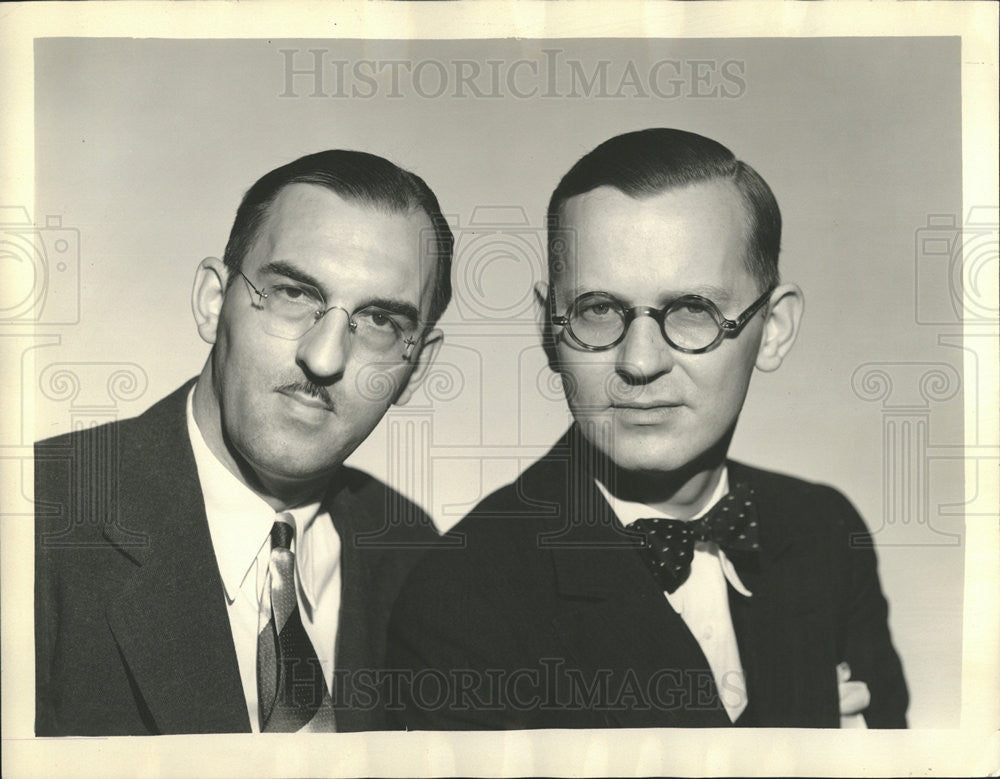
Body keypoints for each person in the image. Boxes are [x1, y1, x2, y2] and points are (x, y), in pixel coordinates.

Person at [386, 128, 908, 729]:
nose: (639, 362)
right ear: (547, 328)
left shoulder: (822, 529)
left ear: (776, 328)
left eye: (693, 311)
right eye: (598, 310)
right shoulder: (459, 596)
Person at [34, 150, 453, 735]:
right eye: (293, 293)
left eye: (382, 322)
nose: (324, 357)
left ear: (416, 368)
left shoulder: (416, 558)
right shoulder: (36, 518)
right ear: (213, 302)